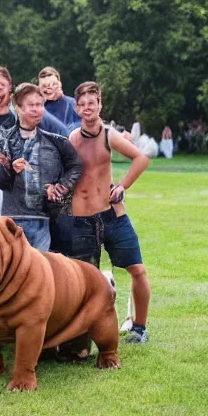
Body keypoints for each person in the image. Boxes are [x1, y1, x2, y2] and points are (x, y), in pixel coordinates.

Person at [69, 81, 151, 344]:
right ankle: (82, 334)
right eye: (81, 104)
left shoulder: (109, 135)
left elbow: (141, 158)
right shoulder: (73, 139)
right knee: (84, 280)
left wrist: (122, 187)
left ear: (99, 105)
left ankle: (139, 328)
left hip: (112, 215)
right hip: (82, 219)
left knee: (137, 269)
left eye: (91, 103)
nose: (86, 108)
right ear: (76, 107)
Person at [0, 83, 82, 252]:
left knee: (40, 272)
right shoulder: (4, 139)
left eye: (40, 105)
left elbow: (76, 167)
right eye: (32, 105)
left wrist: (59, 188)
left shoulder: (56, 142)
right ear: (18, 108)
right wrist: (9, 168)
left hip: (41, 220)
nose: (37, 109)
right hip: (11, 220)